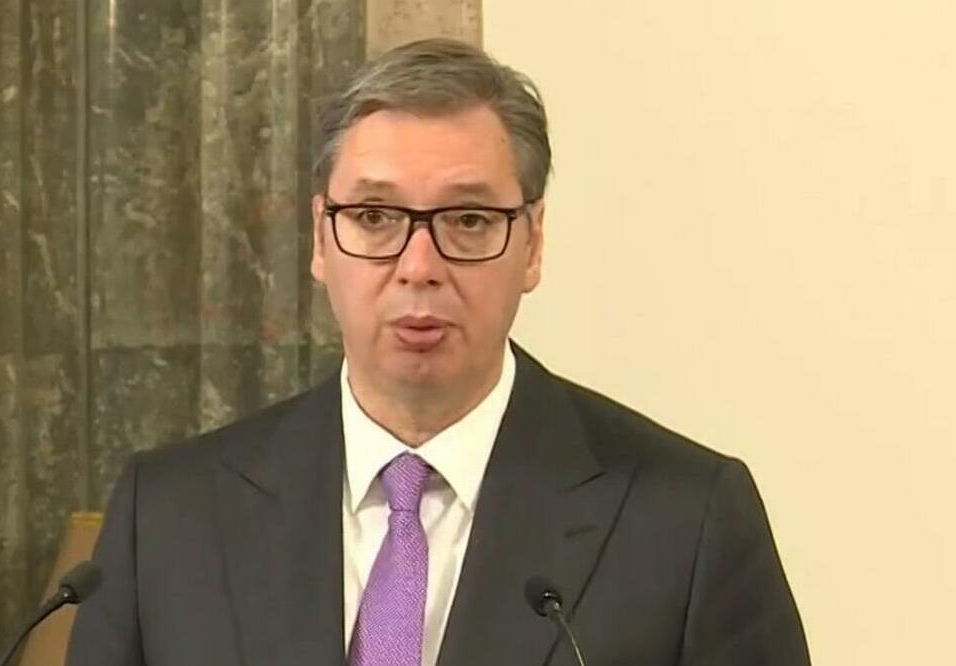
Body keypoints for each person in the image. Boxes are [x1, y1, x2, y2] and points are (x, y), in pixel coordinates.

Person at [67, 38, 810, 666]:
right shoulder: (168, 518)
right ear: (321, 240)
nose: (418, 266)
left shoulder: (686, 523)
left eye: (469, 220)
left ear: (532, 244)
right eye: (375, 216)